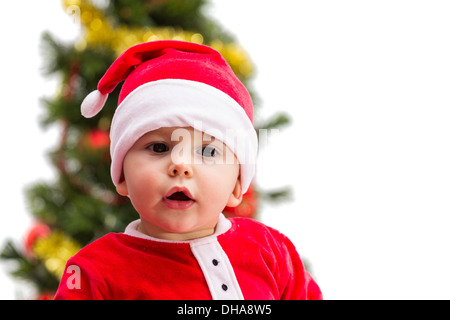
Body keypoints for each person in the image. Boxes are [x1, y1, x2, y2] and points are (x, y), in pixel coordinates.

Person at [54, 40, 322, 300]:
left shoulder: (271, 250)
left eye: (207, 151)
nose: (180, 165)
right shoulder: (95, 272)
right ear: (122, 175)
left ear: (238, 185)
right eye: (159, 147)